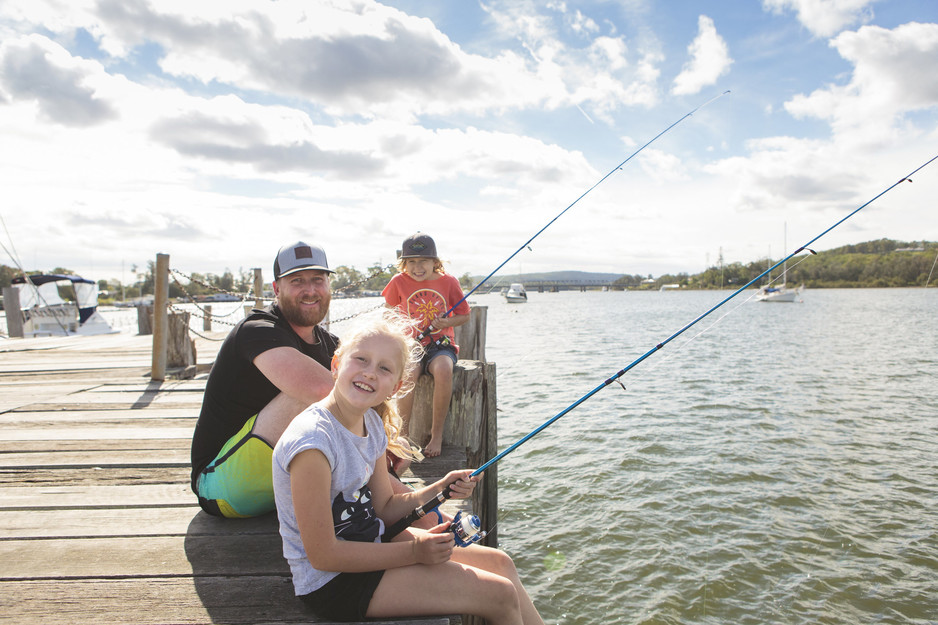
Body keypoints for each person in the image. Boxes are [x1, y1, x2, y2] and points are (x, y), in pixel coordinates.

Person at [272, 309, 543, 624]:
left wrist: (436, 489)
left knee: (500, 563)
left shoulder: (370, 423)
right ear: (336, 364)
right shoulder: (313, 443)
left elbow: (385, 506)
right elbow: (323, 555)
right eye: (361, 359)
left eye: (384, 368)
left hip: (371, 543)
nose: (371, 372)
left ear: (396, 386)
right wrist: (415, 553)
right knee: (499, 594)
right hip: (332, 582)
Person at [190, 241, 338, 518]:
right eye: (297, 281)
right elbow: (322, 389)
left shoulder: (331, 345)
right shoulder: (257, 330)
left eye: (318, 280)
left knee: (361, 372)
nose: (310, 290)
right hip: (222, 486)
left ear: (329, 286)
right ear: (277, 289)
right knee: (313, 390)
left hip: (286, 482)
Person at [382, 232, 470, 457]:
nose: (417, 267)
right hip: (411, 343)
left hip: (441, 344)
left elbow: (464, 315)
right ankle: (403, 435)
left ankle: (436, 434)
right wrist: (398, 331)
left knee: (443, 369)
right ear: (404, 263)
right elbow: (389, 310)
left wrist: (447, 322)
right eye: (411, 261)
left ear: (435, 262)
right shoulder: (398, 282)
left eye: (424, 261)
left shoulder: (449, 282)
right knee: (408, 373)